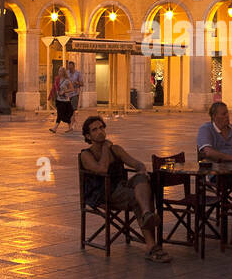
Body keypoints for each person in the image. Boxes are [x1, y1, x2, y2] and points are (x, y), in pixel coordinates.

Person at [79, 115, 167, 262]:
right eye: (95, 130)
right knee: (139, 198)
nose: (100, 132)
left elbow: (137, 164)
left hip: (121, 188)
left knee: (142, 181)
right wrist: (106, 149)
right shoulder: (86, 155)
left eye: (101, 127)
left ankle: (146, 215)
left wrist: (141, 170)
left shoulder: (116, 149)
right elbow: (102, 169)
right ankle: (151, 246)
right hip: (104, 193)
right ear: (88, 136)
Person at [50, 67, 75, 133]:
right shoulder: (57, 80)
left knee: (62, 115)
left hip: (65, 101)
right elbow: (54, 88)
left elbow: (72, 89)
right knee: (60, 114)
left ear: (64, 72)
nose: (59, 72)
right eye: (59, 71)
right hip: (59, 100)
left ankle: (55, 128)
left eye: (61, 71)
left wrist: (64, 91)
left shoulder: (67, 80)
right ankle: (68, 128)